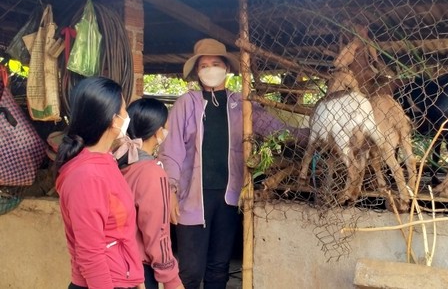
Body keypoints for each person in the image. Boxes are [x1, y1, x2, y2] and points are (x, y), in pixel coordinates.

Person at [159, 38, 309, 289]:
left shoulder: (241, 103)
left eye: (215, 63)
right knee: (191, 270)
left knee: (219, 268)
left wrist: (312, 134)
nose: (210, 69)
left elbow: (276, 130)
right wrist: (171, 191)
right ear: (197, 71)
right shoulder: (187, 103)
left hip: (229, 197)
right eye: (204, 65)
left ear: (226, 69)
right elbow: (171, 152)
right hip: (191, 197)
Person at [54, 76, 144, 289]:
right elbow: (91, 254)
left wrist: (138, 280)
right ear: (113, 120)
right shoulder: (86, 176)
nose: (127, 116)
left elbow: (121, 233)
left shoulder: (106, 160)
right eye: (124, 110)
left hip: (123, 279)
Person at [113, 98, 184, 289]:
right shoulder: (152, 173)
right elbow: (156, 233)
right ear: (157, 132)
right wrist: (171, 279)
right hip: (138, 273)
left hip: (115, 264)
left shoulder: (117, 163)